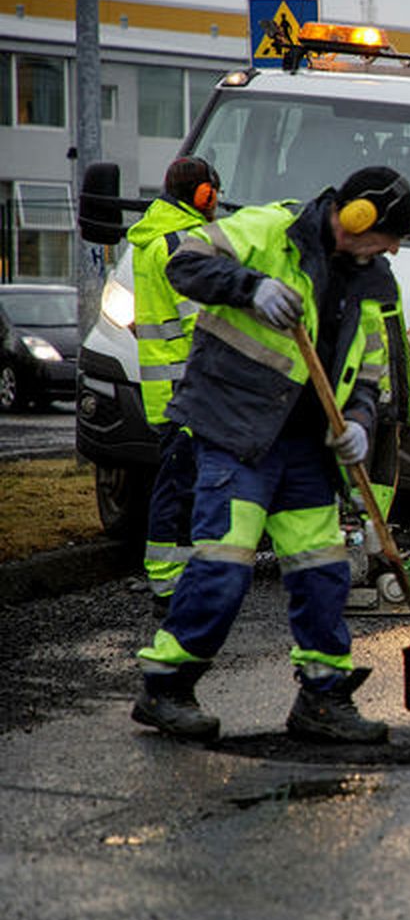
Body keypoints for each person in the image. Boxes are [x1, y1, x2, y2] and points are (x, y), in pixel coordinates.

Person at [130, 166, 410, 745]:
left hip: (307, 448)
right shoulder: (272, 230)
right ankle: (165, 688)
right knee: (223, 568)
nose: (389, 249)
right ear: (357, 216)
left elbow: (369, 373)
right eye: (386, 236)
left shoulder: (373, 281)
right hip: (236, 432)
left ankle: (323, 698)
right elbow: (183, 263)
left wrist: (359, 423)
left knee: (323, 572)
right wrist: (250, 288)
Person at [128, 156, 220, 618]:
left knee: (180, 484)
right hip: (188, 388)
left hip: (163, 388)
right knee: (181, 487)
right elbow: (200, 323)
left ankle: (178, 579)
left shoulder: (151, 239)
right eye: (214, 194)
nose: (217, 203)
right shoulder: (183, 243)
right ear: (203, 194)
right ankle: (168, 582)